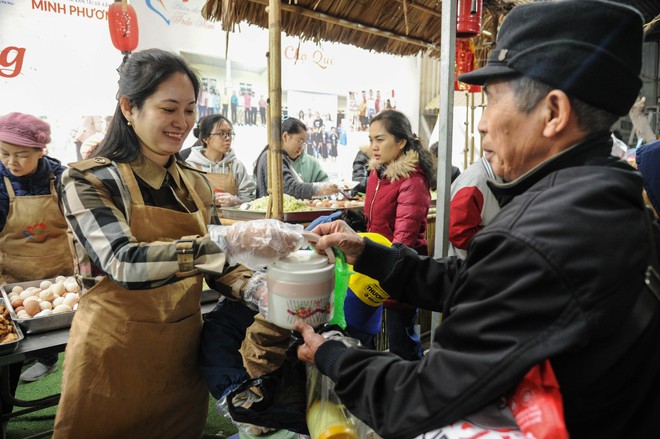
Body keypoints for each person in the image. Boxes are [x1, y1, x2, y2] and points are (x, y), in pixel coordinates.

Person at [295, 2, 660, 438]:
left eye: (491, 100)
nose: (482, 124)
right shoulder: (602, 196)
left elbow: (421, 399)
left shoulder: (544, 233)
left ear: (553, 112)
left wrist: (332, 355)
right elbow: (480, 281)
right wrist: (369, 253)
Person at [52, 48, 302, 439]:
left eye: (189, 110)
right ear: (129, 107)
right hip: (113, 354)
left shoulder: (194, 182)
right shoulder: (89, 181)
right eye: (169, 109)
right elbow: (124, 263)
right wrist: (229, 241)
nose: (182, 122)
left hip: (180, 353)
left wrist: (254, 286)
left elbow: (218, 263)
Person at [0, 113, 74, 396]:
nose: (11, 162)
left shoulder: (62, 178)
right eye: (4, 153)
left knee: (56, 332)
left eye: (21, 155)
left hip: (58, 279)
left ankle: (48, 360)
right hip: (12, 277)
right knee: (11, 343)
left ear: (41, 151)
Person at [363, 109, 436, 361]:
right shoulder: (377, 174)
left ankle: (412, 393)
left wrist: (384, 269)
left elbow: (403, 238)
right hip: (375, 269)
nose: (373, 146)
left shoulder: (412, 181)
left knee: (401, 342)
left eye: (380, 139)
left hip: (400, 271)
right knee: (369, 338)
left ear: (401, 142)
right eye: (371, 139)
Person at [254, 117, 340, 200]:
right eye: (300, 141)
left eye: (304, 144)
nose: (301, 147)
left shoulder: (279, 156)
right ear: (285, 136)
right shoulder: (271, 157)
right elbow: (287, 187)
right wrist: (320, 189)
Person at [186, 114, 255, 206]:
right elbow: (185, 201)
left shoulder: (236, 166)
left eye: (229, 133)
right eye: (222, 134)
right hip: (201, 220)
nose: (228, 138)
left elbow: (249, 201)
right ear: (205, 138)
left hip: (233, 220)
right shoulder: (191, 167)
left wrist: (235, 201)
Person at [447, 156, 501, 258]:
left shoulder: (494, 174)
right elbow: (459, 233)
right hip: (468, 262)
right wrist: (500, 236)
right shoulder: (477, 180)